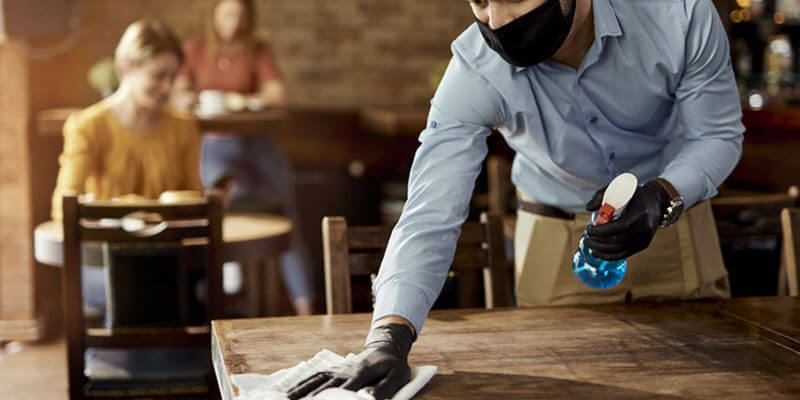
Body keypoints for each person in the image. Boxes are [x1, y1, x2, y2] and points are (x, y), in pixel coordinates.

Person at [287, 0, 744, 398]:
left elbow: (717, 136)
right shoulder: (475, 69)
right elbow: (430, 212)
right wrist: (388, 335)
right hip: (554, 244)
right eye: (480, 1)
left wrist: (664, 194)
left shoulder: (679, 14)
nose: (499, 21)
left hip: (675, 227)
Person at [51, 19, 211, 312]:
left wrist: (212, 201)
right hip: (109, 263)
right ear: (127, 66)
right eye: (159, 75)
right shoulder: (88, 126)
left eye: (172, 76)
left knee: (167, 287)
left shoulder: (184, 128)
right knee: (147, 290)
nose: (167, 87)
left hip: (170, 261)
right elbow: (63, 204)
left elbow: (194, 198)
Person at [172, 0, 314, 316]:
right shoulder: (194, 49)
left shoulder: (256, 49)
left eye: (240, 15)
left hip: (257, 144)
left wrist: (241, 100)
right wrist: (189, 98)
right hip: (214, 146)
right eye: (227, 14)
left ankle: (309, 313)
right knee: (211, 216)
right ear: (213, 14)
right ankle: (217, 307)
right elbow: (177, 93)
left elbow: (277, 95)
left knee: (289, 218)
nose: (234, 22)